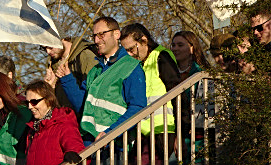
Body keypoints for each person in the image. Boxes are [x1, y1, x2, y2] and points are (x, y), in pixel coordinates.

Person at [56, 16, 146, 162]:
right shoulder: (95, 70)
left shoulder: (131, 66)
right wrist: (67, 79)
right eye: (94, 36)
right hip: (91, 146)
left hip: (115, 148)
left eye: (101, 34)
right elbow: (83, 107)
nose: (97, 40)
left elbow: (138, 107)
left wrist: (110, 133)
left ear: (116, 34)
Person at [120, 23, 180, 164]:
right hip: (144, 131)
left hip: (164, 130)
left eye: (131, 49)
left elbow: (178, 93)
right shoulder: (138, 64)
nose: (129, 54)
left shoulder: (161, 56)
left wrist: (180, 131)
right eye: (125, 51)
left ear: (144, 40)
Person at [171, 31, 212, 164]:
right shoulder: (168, 72)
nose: (175, 48)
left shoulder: (202, 73)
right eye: (173, 45)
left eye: (180, 45)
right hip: (172, 131)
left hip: (196, 135)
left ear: (192, 48)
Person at [24, 80, 85, 165]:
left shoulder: (63, 122)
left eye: (34, 102)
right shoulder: (32, 128)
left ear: (48, 100)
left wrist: (72, 153)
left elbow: (76, 149)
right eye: (27, 102)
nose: (30, 107)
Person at [41, 36, 98, 117]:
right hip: (64, 122)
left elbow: (93, 94)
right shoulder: (52, 65)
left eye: (50, 46)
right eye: (44, 48)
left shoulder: (85, 56)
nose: (48, 51)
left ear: (62, 38)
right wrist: (50, 88)